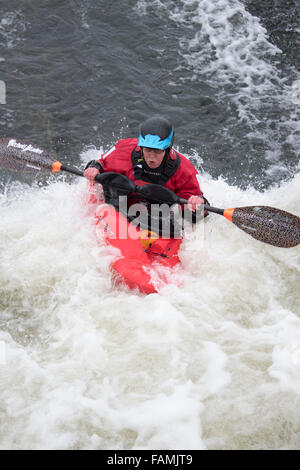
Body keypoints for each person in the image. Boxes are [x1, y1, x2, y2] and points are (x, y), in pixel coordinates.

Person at [84, 117, 208, 232]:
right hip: (122, 205)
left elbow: (194, 209)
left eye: (157, 151)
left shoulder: (183, 170)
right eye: (148, 150)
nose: (151, 157)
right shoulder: (123, 150)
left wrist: (196, 204)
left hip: (156, 216)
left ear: (168, 149)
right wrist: (93, 168)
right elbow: (100, 163)